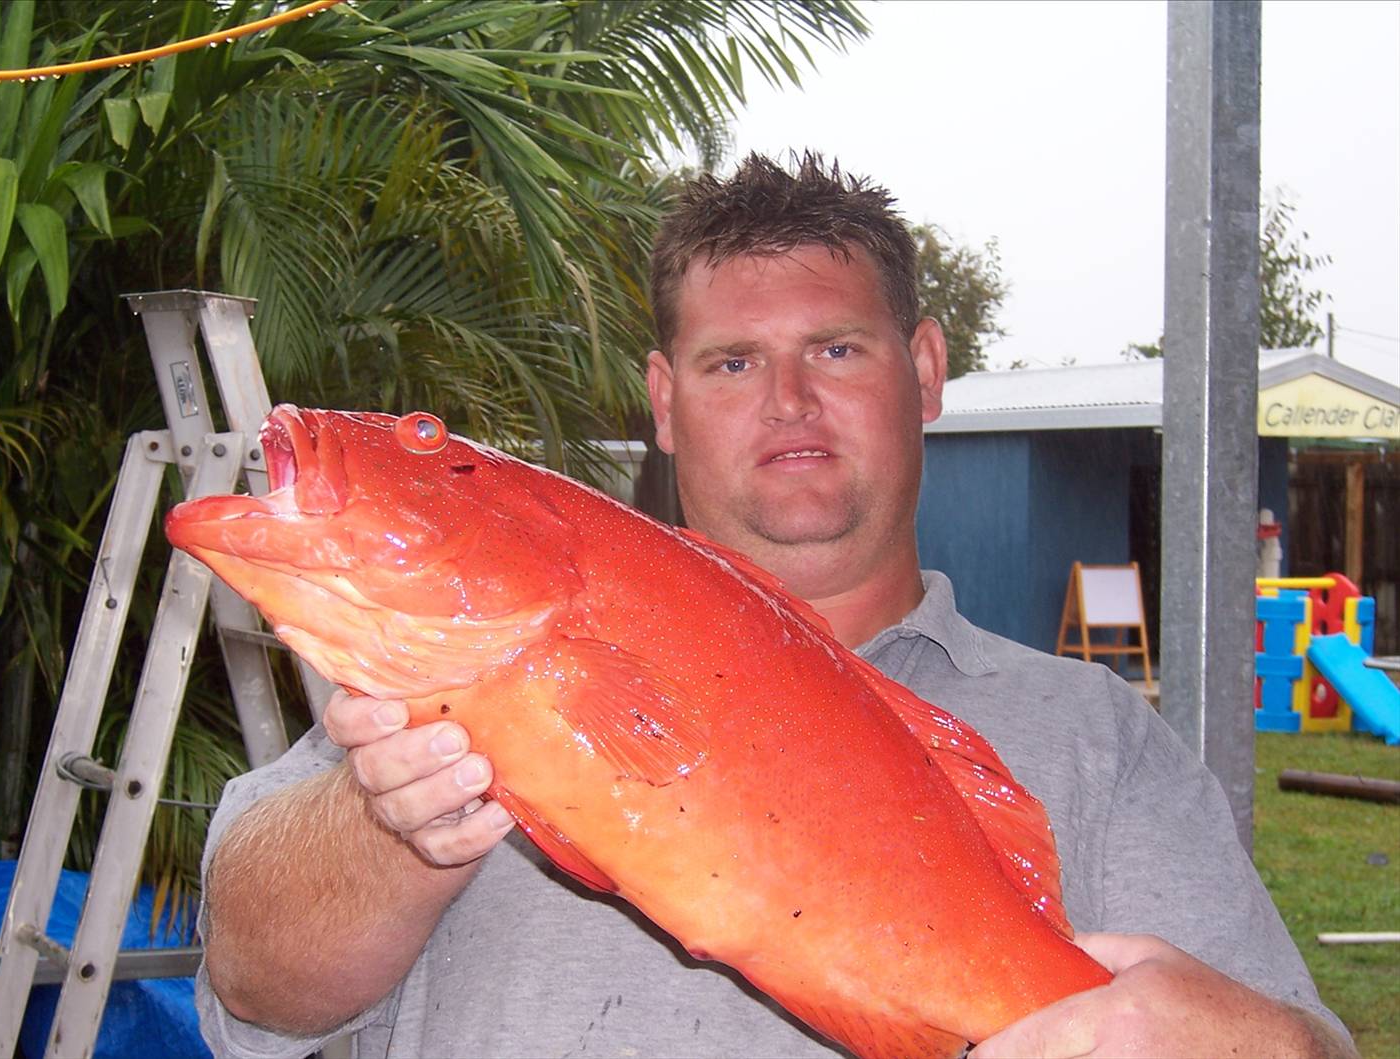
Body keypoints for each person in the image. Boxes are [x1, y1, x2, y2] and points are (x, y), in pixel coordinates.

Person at [196, 153, 1357, 1058]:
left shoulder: (1099, 735)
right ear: (662, 401)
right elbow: (250, 987)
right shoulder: (408, 715)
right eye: (733, 363)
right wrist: (392, 821)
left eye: (836, 350)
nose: (789, 401)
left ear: (925, 369)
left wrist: (1267, 1047)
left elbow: (1289, 1037)